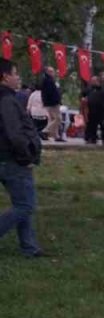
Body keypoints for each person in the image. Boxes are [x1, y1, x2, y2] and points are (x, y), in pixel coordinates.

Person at [0, 59, 45, 257]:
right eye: (15, 73)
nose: (18, 77)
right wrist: (25, 157)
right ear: (5, 76)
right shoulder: (7, 101)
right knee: (26, 206)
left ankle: (29, 247)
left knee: (22, 202)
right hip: (12, 160)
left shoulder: (8, 98)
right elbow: (15, 134)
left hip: (6, 158)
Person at [39, 67, 62, 141]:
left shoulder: (46, 80)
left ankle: (56, 136)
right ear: (48, 72)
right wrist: (56, 100)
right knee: (58, 119)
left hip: (49, 103)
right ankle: (44, 131)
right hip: (53, 103)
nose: (54, 73)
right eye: (52, 71)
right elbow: (50, 92)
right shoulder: (48, 81)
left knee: (53, 119)